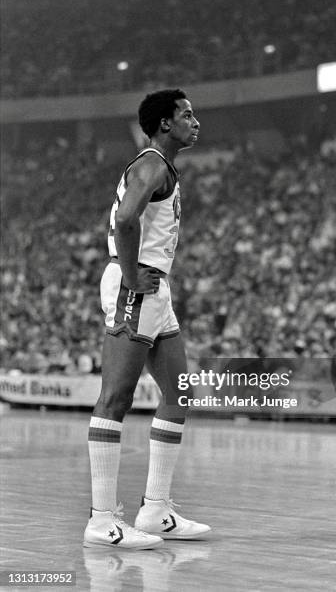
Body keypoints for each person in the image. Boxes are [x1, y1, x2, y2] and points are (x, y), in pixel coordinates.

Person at [84, 89, 211, 549]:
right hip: (136, 284)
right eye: (187, 115)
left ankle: (156, 511)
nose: (196, 122)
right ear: (164, 124)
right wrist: (134, 277)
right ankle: (101, 521)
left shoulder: (163, 166)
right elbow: (124, 221)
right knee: (115, 397)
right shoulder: (151, 164)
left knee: (179, 394)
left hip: (155, 288)